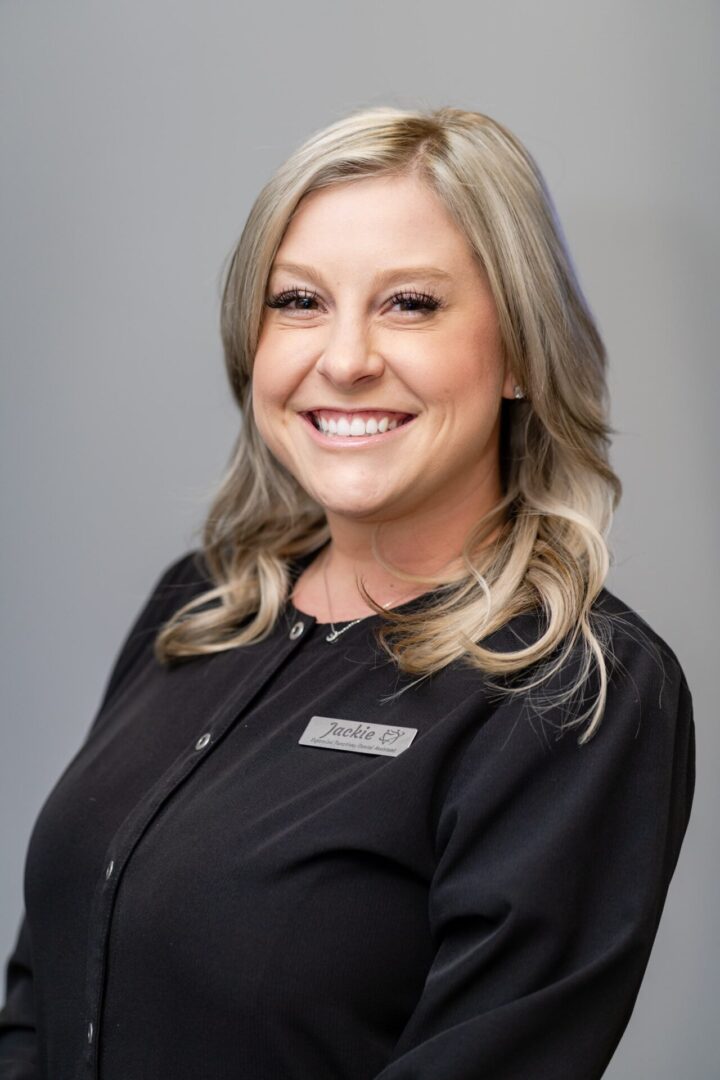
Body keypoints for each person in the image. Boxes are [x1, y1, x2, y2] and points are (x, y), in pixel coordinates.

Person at [0, 105, 695, 1079]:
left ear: (522, 354)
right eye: (299, 302)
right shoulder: (201, 606)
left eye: (410, 303)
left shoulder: (574, 688)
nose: (346, 358)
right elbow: (47, 977)